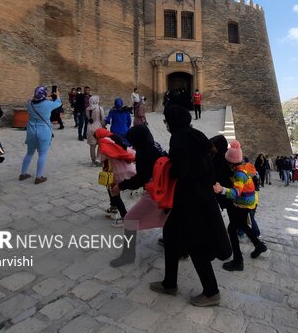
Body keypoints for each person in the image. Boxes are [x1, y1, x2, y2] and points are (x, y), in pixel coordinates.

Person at [150, 105, 231, 308]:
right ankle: (169, 283)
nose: (166, 124)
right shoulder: (197, 134)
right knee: (171, 235)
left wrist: (165, 168)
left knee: (195, 244)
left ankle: (212, 292)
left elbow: (180, 170)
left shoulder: (178, 138)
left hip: (189, 199)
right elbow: (208, 156)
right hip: (202, 195)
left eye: (166, 120)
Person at [109, 125, 168, 267]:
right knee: (168, 218)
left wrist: (120, 186)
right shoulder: (155, 145)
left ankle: (128, 255)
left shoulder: (143, 152)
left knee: (130, 219)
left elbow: (140, 179)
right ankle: (179, 248)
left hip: (155, 191)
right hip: (167, 189)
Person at [213, 140, 267, 273]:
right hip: (250, 202)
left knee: (232, 229)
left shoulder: (238, 174)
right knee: (242, 224)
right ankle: (258, 245)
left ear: (231, 163)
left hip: (242, 204)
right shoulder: (246, 166)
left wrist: (222, 190)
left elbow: (236, 192)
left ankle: (238, 261)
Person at [19, 86, 62, 184]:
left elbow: (32, 99)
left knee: (29, 153)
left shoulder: (29, 103)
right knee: (42, 154)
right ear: (44, 94)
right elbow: (58, 103)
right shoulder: (48, 104)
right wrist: (57, 95)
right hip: (44, 131)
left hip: (31, 131)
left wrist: (41, 96)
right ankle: (39, 177)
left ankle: (23, 174)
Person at [95, 128, 136, 226]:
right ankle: (113, 207)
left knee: (114, 192)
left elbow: (103, 159)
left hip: (117, 172)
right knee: (112, 190)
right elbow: (130, 151)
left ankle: (124, 217)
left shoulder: (105, 143)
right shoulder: (116, 138)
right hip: (129, 167)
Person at [86, 95, 105, 165]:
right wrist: (104, 126)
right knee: (100, 143)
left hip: (90, 127)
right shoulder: (100, 108)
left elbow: (89, 118)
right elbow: (102, 119)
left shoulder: (87, 109)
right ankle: (98, 158)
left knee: (92, 145)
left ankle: (93, 160)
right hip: (98, 127)